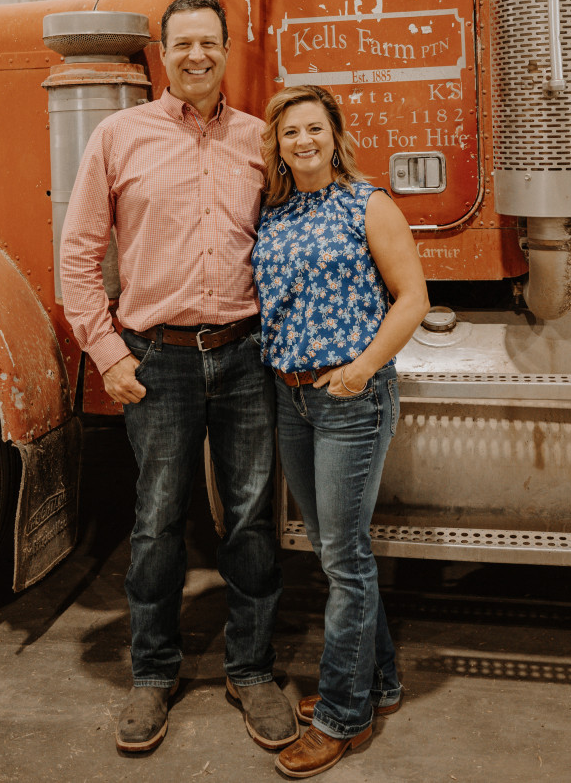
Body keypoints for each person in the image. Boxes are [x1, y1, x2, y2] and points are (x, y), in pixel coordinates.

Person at [59, 0, 297, 757]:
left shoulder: (262, 140)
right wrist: (109, 352)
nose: (197, 54)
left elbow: (293, 243)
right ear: (164, 54)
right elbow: (79, 254)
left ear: (229, 50)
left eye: (210, 42)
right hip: (155, 357)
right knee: (158, 518)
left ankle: (251, 668)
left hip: (245, 350)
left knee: (252, 517)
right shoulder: (118, 136)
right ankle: (153, 672)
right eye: (183, 42)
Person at [251, 85, 430, 778]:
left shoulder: (368, 203)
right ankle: (379, 682)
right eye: (290, 130)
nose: (302, 140)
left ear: (334, 135)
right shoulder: (278, 211)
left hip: (350, 397)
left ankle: (343, 716)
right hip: (293, 398)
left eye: (314, 128)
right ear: (278, 142)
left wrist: (360, 370)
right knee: (334, 550)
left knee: (345, 559)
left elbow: (413, 297)